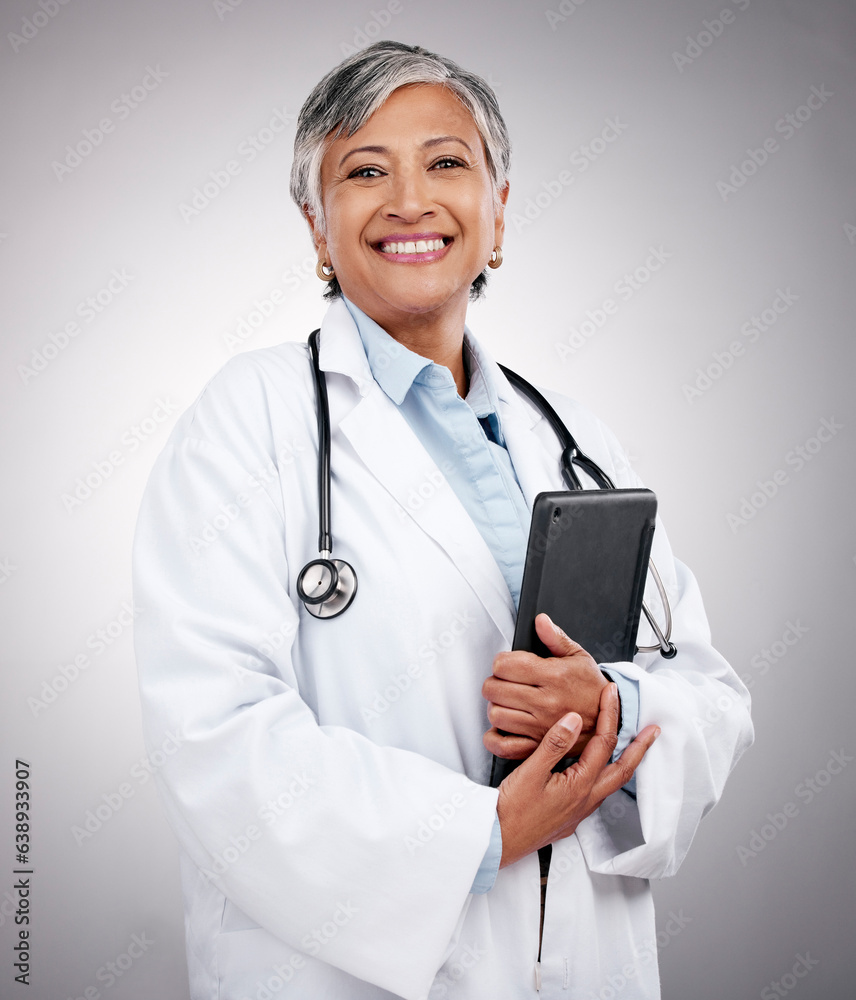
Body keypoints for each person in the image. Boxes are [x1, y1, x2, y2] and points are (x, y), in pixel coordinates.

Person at [133, 40, 753, 1000]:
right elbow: (214, 736)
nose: (410, 200)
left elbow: (710, 696)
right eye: (364, 171)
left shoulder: (576, 439)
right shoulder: (247, 421)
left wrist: (610, 709)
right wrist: (486, 832)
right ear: (315, 224)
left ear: (498, 211)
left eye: (448, 164)